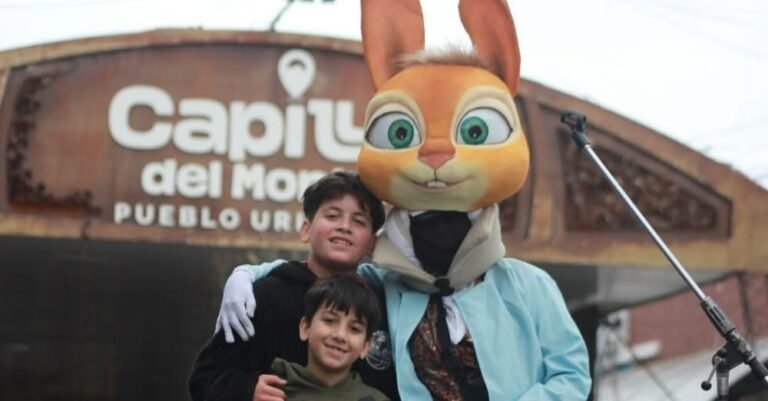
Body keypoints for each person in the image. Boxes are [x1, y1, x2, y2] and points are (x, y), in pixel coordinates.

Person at [188, 171, 397, 401]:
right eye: (332, 216)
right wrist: (246, 389)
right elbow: (204, 378)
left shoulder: (386, 305)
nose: (344, 227)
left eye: (358, 221)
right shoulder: (263, 296)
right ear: (306, 230)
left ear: (372, 243)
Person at [269, 274, 390, 401]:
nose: (340, 335)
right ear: (306, 327)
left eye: (354, 329)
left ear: (365, 347)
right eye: (329, 320)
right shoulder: (270, 391)